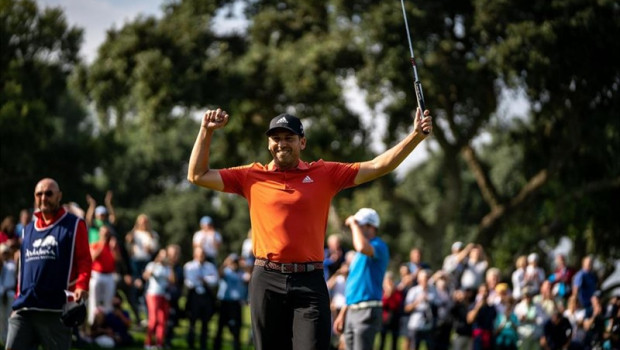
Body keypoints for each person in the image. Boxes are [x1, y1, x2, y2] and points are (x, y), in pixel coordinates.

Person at [187, 106, 432, 350]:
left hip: (310, 281)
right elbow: (197, 175)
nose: (282, 144)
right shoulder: (251, 176)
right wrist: (206, 131)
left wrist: (415, 137)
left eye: (289, 138)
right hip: (266, 279)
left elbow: (380, 166)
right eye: (276, 138)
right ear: (268, 144)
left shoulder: (325, 173)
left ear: (302, 142)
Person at [6, 178, 92, 350]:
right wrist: (17, 299)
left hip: (55, 310)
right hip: (25, 308)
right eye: (39, 194)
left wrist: (82, 285)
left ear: (59, 196)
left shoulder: (74, 224)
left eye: (49, 193)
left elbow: (84, 259)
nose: (44, 198)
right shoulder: (28, 229)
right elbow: (23, 269)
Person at [332, 208, 389, 350]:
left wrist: (352, 223)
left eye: (360, 224)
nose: (356, 227)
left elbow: (361, 246)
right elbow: (353, 285)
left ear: (371, 226)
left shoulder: (379, 246)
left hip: (367, 309)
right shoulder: (359, 255)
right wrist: (343, 313)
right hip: (352, 310)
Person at [183, 246, 219, 350]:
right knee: (192, 322)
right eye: (199, 254)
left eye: (202, 254)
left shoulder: (210, 266)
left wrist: (204, 279)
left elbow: (215, 280)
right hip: (194, 296)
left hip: (206, 297)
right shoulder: (189, 266)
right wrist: (203, 280)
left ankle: (203, 345)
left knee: (205, 323)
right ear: (195, 255)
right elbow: (189, 282)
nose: (201, 257)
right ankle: (191, 344)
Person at [214, 253, 251, 350]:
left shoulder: (241, 273)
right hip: (224, 303)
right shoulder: (226, 272)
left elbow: (249, 277)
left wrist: (245, 265)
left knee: (236, 329)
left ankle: (236, 347)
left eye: (236, 262)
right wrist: (225, 263)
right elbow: (219, 274)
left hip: (236, 304)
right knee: (220, 328)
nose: (234, 264)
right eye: (233, 262)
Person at [88, 225, 118, 325]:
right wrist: (102, 244)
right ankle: (92, 323)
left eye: (107, 233)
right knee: (94, 300)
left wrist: (113, 248)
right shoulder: (95, 244)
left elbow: (117, 260)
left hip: (109, 275)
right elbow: (93, 257)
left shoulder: (112, 247)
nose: (105, 235)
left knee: (108, 302)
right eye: (103, 233)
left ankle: (106, 323)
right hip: (97, 275)